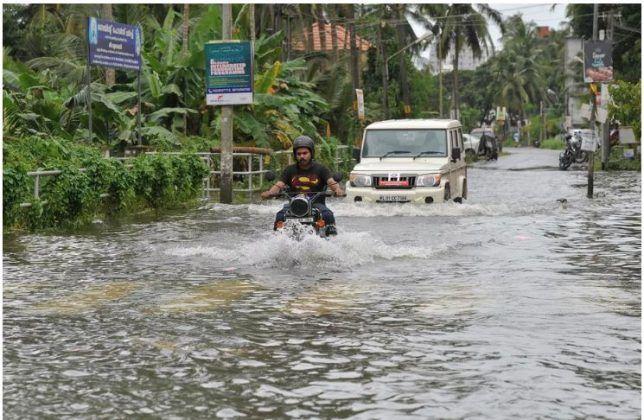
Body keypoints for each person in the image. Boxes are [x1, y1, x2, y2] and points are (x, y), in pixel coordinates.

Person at [261, 135, 345, 235]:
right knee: (280, 216)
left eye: (305, 153)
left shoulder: (321, 169)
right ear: (295, 155)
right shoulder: (289, 170)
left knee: (328, 215)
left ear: (311, 153)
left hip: (316, 204)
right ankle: (277, 240)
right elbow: (279, 185)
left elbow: (331, 182)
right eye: (299, 154)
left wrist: (338, 190)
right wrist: (270, 192)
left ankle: (333, 241)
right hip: (294, 205)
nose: (302, 156)